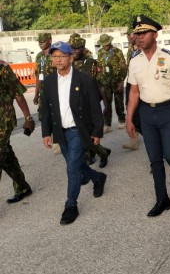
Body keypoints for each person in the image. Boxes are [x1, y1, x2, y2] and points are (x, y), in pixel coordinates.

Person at [126, 15, 170, 217]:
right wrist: (129, 119)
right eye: (137, 33)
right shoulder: (134, 61)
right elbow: (134, 92)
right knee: (154, 159)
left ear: (155, 35)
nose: (139, 37)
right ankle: (162, 199)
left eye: (143, 33)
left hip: (168, 111)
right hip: (146, 113)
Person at [41, 41, 107, 225]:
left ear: (71, 58)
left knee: (71, 169)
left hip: (79, 130)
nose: (58, 59)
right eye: (55, 56)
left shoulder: (84, 79)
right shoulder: (49, 80)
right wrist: (46, 132)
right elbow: (45, 108)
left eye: (62, 56)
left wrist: (97, 131)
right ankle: (98, 177)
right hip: (60, 132)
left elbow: (96, 107)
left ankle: (71, 205)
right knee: (75, 165)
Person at [68, 34, 111, 169]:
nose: (74, 51)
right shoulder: (68, 64)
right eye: (72, 48)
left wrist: (106, 103)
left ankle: (102, 153)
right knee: (81, 132)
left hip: (90, 103)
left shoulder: (92, 63)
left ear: (83, 48)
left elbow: (101, 85)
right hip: (74, 104)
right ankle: (93, 153)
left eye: (77, 48)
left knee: (90, 132)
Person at [0, 61, 35, 204]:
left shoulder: (2, 68)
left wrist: (28, 118)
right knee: (6, 157)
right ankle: (22, 187)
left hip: (3, 121)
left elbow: (18, 94)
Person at [33, 33, 60, 154]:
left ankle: (58, 141)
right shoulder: (39, 56)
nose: (40, 44)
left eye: (43, 41)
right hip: (44, 92)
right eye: (39, 42)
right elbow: (38, 75)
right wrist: (36, 93)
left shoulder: (55, 54)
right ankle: (52, 137)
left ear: (50, 40)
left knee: (56, 114)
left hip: (55, 89)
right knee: (45, 115)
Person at [96, 33, 127, 133]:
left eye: (107, 44)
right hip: (105, 82)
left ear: (110, 42)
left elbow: (123, 67)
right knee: (107, 103)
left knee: (119, 102)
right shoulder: (100, 53)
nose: (105, 46)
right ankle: (107, 124)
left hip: (116, 81)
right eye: (103, 44)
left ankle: (121, 120)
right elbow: (99, 66)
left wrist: (121, 81)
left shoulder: (117, 52)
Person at [122, 27, 141, 151]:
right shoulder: (131, 50)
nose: (128, 37)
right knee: (130, 108)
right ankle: (133, 140)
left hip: (142, 83)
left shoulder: (143, 48)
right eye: (127, 35)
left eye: (130, 35)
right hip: (131, 81)